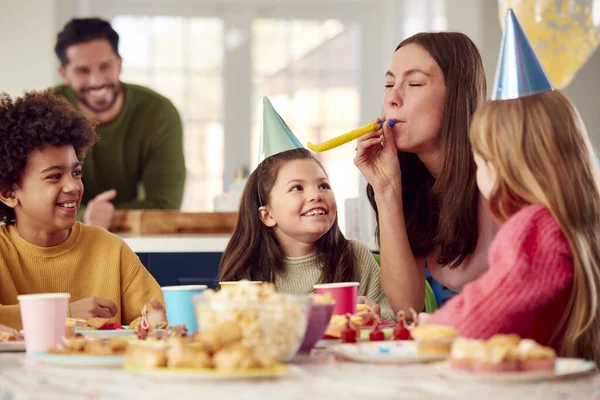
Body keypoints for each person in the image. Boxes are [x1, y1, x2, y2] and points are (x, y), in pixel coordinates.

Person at [427, 10, 600, 365]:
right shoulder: (583, 220)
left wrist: (433, 328)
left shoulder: (535, 229)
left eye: (479, 162)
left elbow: (481, 315)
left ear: (501, 167)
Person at [354, 32, 497, 315]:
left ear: (458, 95)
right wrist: (386, 190)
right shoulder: (414, 185)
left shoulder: (499, 175)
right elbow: (408, 306)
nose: (392, 98)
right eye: (389, 83)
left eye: (415, 83)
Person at [0, 90, 164, 330]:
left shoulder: (110, 249)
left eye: (76, 173)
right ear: (9, 193)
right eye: (54, 176)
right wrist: (64, 313)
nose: (74, 186)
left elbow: (152, 317)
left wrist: (155, 323)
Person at [219, 98, 395, 321]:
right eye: (297, 188)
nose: (316, 195)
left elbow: (393, 320)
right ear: (267, 214)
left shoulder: (354, 256)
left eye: (323, 185)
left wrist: (374, 316)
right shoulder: (246, 271)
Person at [54, 18, 186, 229]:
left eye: (105, 67)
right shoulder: (45, 114)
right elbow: (33, 199)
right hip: (59, 238)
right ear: (64, 74)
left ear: (120, 64)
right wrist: (85, 216)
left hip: (135, 243)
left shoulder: (158, 113)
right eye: (83, 71)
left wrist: (110, 216)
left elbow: (165, 205)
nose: (96, 81)